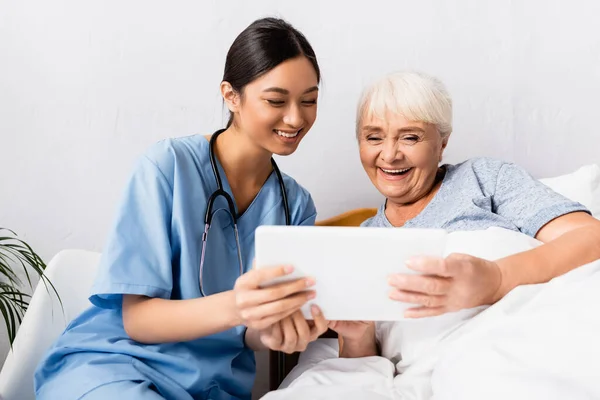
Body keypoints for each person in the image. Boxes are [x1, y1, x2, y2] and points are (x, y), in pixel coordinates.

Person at [35, 17, 328, 400]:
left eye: (309, 100)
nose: (296, 117)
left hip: (210, 387)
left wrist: (275, 332)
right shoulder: (167, 166)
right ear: (231, 96)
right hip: (114, 366)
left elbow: (252, 331)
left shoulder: (296, 205)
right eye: (276, 100)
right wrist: (239, 304)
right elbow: (137, 320)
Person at [329, 70, 600, 358]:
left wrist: (495, 278)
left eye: (410, 137)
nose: (389, 155)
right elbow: (359, 359)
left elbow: (591, 237)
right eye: (374, 137)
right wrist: (358, 335)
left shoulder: (484, 179)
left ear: (442, 143)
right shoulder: (362, 241)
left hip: (529, 338)